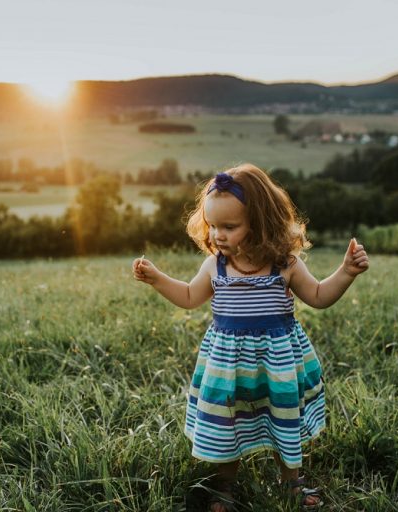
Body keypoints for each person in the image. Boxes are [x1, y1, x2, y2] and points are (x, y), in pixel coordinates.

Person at [132, 164, 369, 511]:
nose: (217, 235)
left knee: (281, 420)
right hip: (229, 366)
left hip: (277, 365)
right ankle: (225, 487)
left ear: (260, 224)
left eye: (229, 227)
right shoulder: (215, 266)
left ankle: (292, 483)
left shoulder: (284, 264)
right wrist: (157, 279)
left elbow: (318, 296)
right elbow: (187, 297)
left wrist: (346, 271)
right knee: (228, 423)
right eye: (212, 226)